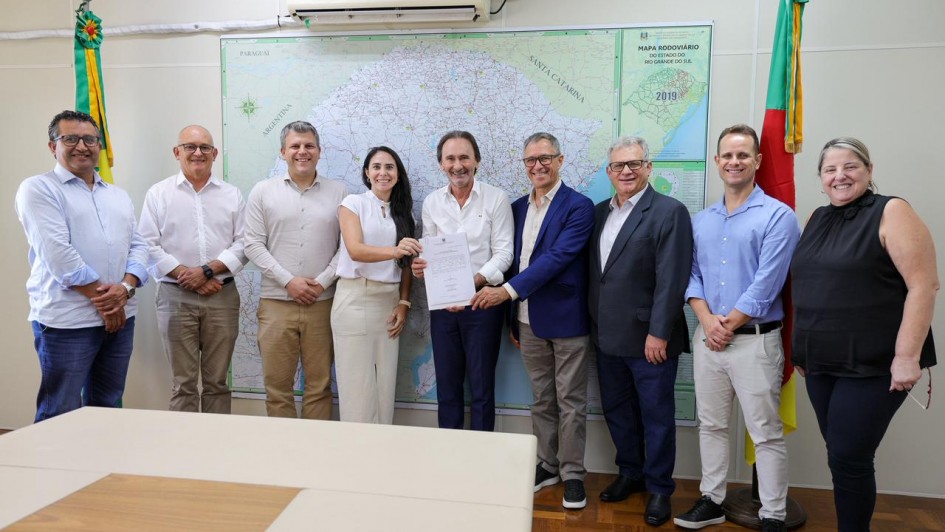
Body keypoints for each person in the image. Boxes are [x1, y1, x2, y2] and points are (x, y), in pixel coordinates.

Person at [791, 137, 938, 531]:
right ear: (821, 178)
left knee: (849, 455)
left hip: (876, 363)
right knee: (840, 454)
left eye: (850, 166)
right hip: (821, 362)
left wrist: (907, 357)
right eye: (830, 169)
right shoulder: (818, 218)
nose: (840, 176)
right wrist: (802, 351)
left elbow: (924, 285)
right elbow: (811, 285)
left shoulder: (892, 210)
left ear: (869, 171)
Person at [676, 124, 799, 532]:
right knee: (710, 425)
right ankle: (712, 500)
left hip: (755, 343)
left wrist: (729, 323)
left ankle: (773, 515)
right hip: (709, 338)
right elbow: (691, 276)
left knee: (765, 432)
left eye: (743, 155)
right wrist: (708, 321)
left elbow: (769, 281)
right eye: (727, 155)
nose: (734, 162)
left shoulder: (778, 216)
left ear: (758, 162)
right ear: (716, 162)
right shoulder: (702, 220)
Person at [471, 132, 595, 509]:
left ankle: (574, 474)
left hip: (567, 320)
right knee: (542, 399)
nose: (538, 166)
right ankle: (548, 464)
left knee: (570, 401)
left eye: (546, 158)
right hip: (526, 320)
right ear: (524, 166)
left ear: (560, 160)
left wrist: (506, 292)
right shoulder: (517, 207)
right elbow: (508, 257)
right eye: (530, 161)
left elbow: (557, 258)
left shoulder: (579, 207)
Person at [15, 110, 149, 422]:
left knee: (107, 406)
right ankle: (53, 471)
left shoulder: (117, 195)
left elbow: (140, 246)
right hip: (67, 322)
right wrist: (109, 303)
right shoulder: (38, 189)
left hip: (121, 320)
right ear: (53, 146)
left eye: (90, 139)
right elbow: (59, 255)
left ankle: (100, 469)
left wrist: (125, 290)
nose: (82, 146)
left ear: (99, 146)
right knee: (59, 410)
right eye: (70, 138)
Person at [588, 136, 692, 526]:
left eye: (634, 164)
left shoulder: (669, 212)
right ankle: (630, 473)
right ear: (609, 172)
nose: (626, 171)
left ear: (649, 167)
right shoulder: (599, 213)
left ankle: (661, 489)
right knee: (618, 411)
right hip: (606, 336)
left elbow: (673, 279)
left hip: (650, 341)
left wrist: (659, 333)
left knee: (657, 416)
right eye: (618, 166)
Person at [138, 125, 247, 414]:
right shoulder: (158, 194)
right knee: (183, 384)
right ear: (177, 152)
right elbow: (147, 245)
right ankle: (183, 452)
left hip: (221, 296)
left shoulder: (232, 195)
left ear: (215, 154)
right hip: (175, 297)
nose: (198, 153)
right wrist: (190, 277)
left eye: (205, 148)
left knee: (217, 383)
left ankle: (215, 449)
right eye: (190, 146)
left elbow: (244, 243)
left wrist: (207, 272)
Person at [411, 130, 514, 431]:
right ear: (441, 164)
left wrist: (473, 283)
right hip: (443, 308)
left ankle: (480, 461)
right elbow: (430, 250)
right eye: (451, 158)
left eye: (464, 157)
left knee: (482, 389)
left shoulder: (496, 199)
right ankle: (451, 459)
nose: (458, 165)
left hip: (483, 304)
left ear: (477, 161)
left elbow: (504, 253)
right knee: (448, 388)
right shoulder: (432, 203)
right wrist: (422, 268)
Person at [244, 120, 347, 420]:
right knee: (278, 388)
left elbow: (347, 246)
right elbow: (252, 245)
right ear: (283, 152)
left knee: (320, 386)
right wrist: (289, 282)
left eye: (309, 146)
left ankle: (315, 456)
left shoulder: (339, 192)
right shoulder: (262, 192)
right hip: (276, 304)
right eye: (295, 146)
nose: (302, 151)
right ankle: (284, 458)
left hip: (323, 303)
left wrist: (323, 281)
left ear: (319, 151)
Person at [332, 146, 420, 424]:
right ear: (367, 173)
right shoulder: (352, 204)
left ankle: (381, 459)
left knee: (384, 392)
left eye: (390, 167)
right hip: (355, 300)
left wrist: (404, 303)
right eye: (377, 167)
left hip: (389, 304)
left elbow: (406, 267)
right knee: (357, 392)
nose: (383, 172)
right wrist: (396, 251)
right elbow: (356, 250)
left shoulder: (405, 215)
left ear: (398, 174)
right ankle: (357, 461)